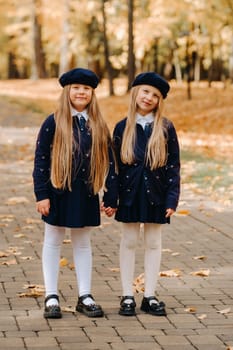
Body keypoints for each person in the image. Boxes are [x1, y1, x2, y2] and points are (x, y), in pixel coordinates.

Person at [33, 68, 117, 319]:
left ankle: (85, 295)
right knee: (53, 241)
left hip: (86, 192)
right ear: (67, 91)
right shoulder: (53, 121)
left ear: (92, 94)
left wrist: (111, 195)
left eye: (87, 89)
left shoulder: (99, 124)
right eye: (77, 88)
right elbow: (41, 159)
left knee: (82, 243)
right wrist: (41, 194)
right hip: (57, 190)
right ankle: (51, 296)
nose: (81, 92)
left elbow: (111, 163)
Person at [111, 72, 180, 316]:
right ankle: (127, 295)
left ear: (160, 100)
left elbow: (173, 166)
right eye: (145, 91)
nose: (149, 97)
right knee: (129, 242)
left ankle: (149, 295)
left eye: (156, 95)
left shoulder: (166, 128)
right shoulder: (122, 127)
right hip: (129, 195)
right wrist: (111, 198)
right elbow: (114, 168)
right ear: (135, 92)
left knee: (153, 243)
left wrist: (172, 198)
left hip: (157, 195)